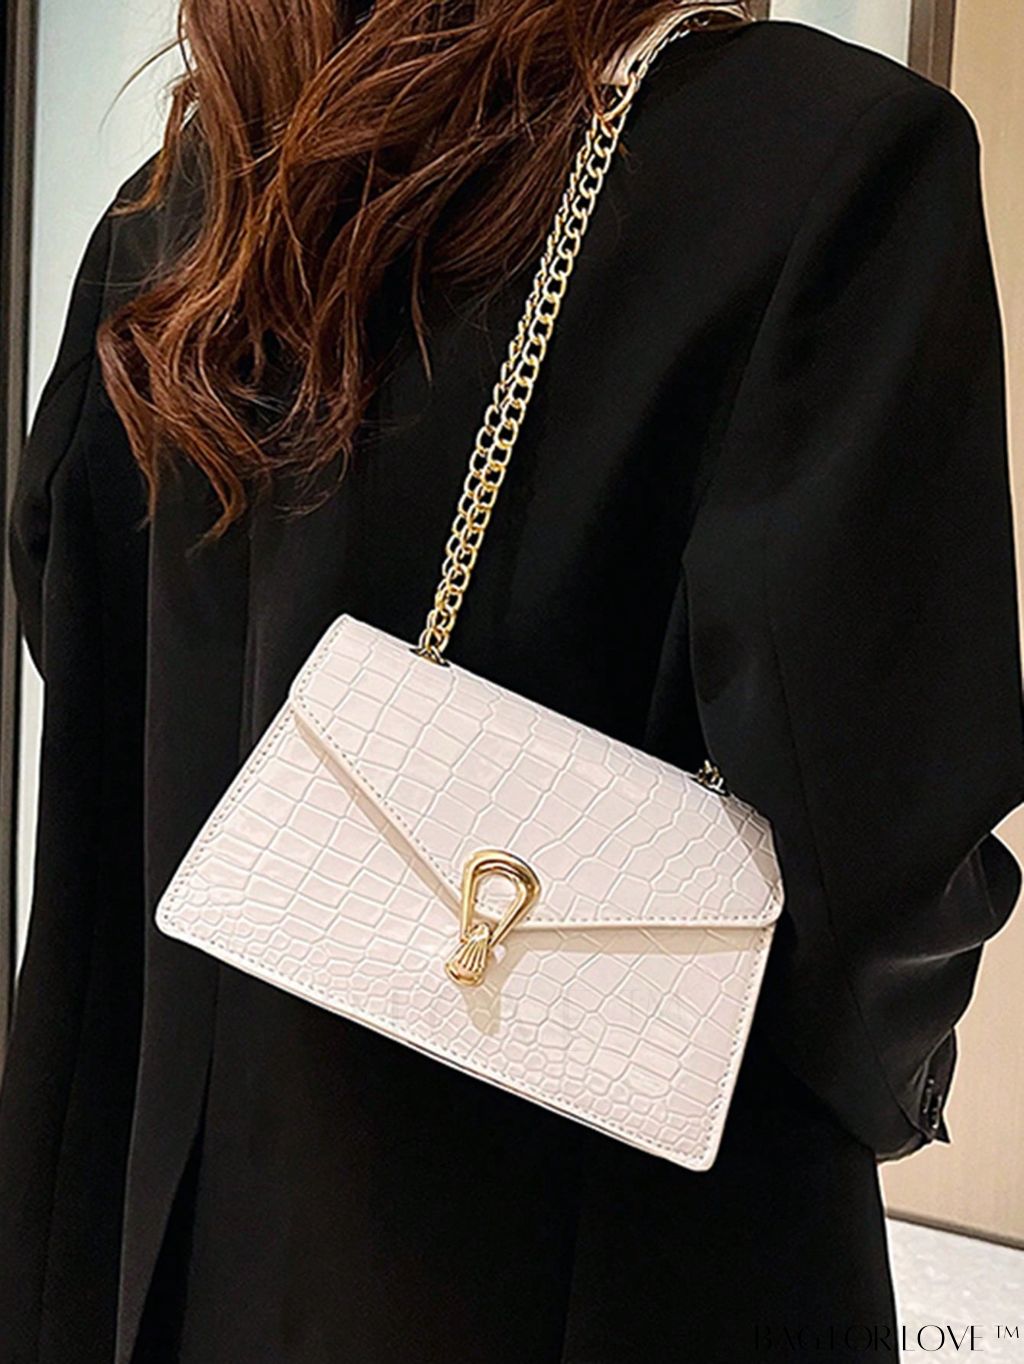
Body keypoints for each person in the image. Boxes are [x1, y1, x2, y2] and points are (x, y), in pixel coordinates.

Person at [2, 3, 1022, 1362]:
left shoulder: (187, 198)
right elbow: (873, 835)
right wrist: (899, 1073)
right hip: (605, 1252)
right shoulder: (836, 159)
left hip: (169, 1232)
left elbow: (76, 626)